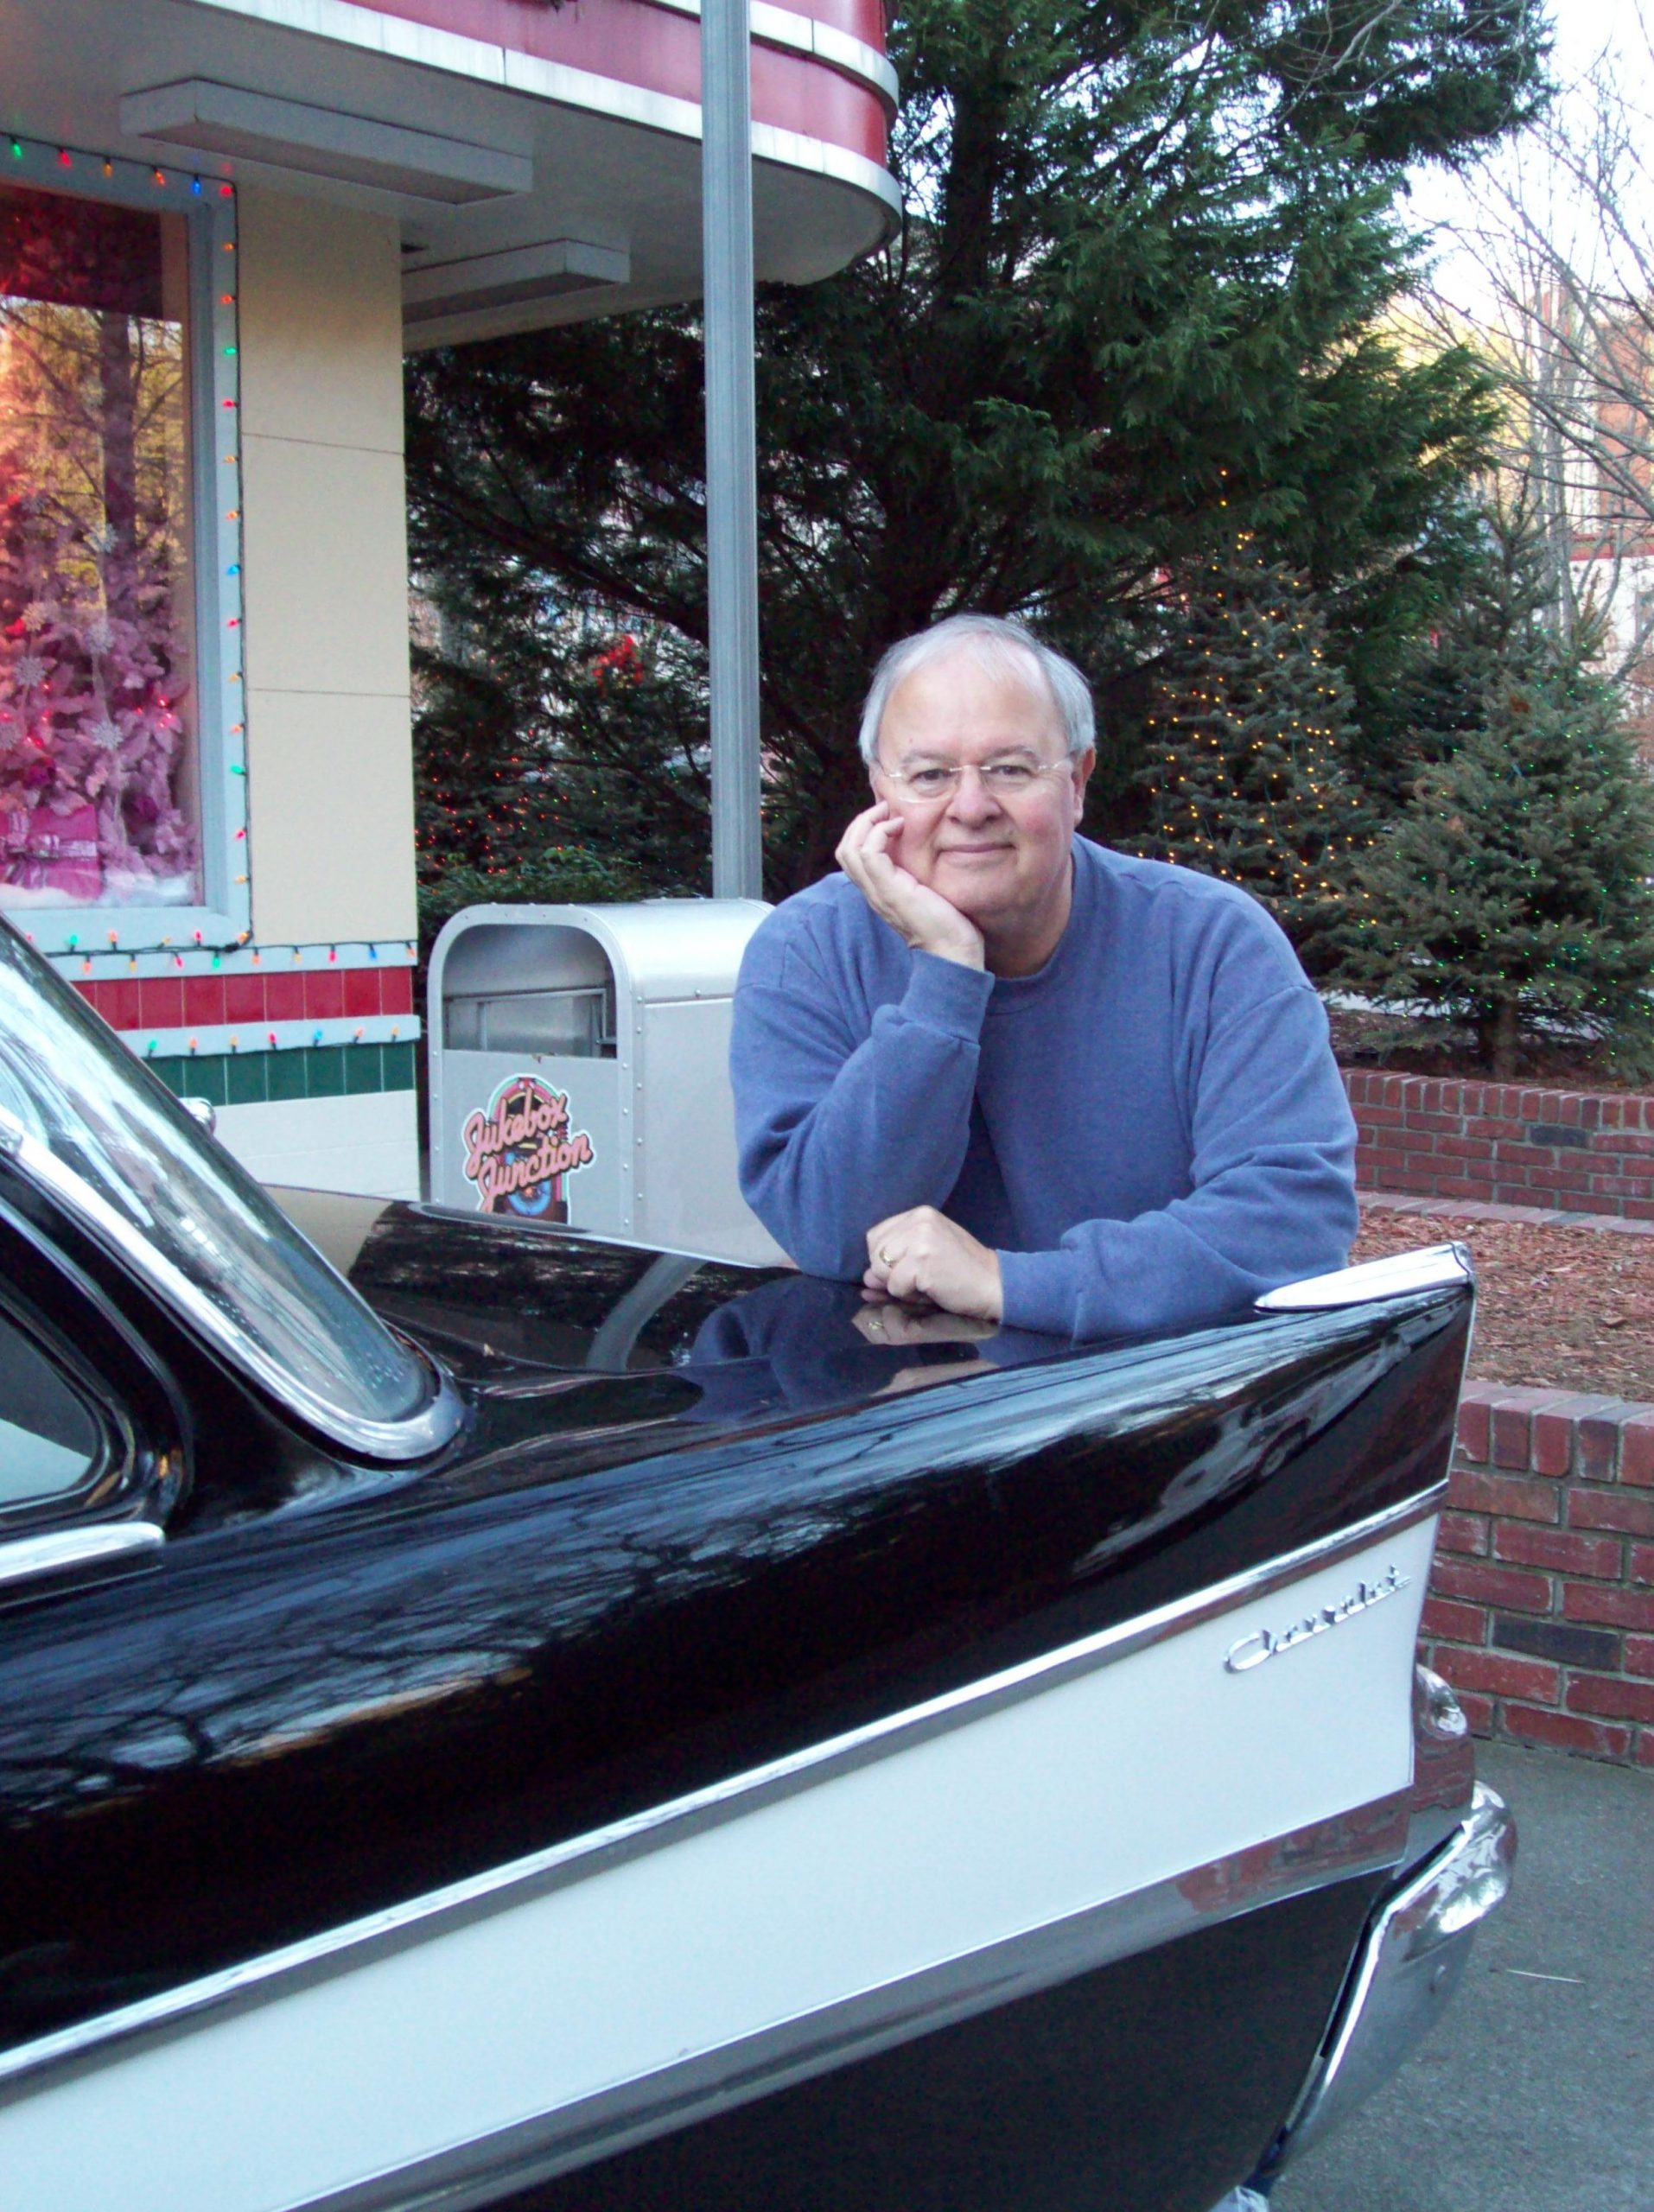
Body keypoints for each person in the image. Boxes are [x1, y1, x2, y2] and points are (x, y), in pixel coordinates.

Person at [729, 614, 1357, 1340]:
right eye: (930, 774)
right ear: (880, 789)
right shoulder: (804, 951)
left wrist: (1011, 1282)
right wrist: (943, 977)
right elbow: (829, 1234)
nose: (970, 807)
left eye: (1010, 769)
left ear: (1079, 780)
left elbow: (1293, 1225)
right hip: (906, 1425)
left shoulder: (1214, 944)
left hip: (1169, 1411)